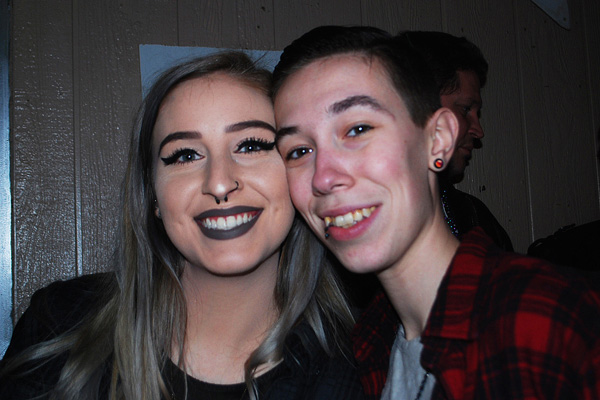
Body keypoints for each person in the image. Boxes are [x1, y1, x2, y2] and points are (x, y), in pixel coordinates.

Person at [0, 52, 365, 400]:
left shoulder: (364, 367)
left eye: (251, 146)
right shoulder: (57, 324)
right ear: (153, 196)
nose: (219, 183)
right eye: (186, 155)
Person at [272, 25, 600, 399]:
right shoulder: (368, 344)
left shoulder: (552, 321)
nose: (324, 178)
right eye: (299, 151)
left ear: (438, 139)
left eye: (358, 129)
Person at [398, 30, 513, 251]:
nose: (478, 131)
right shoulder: (358, 217)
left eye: (477, 113)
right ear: (417, 104)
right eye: (465, 109)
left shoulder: (475, 218)